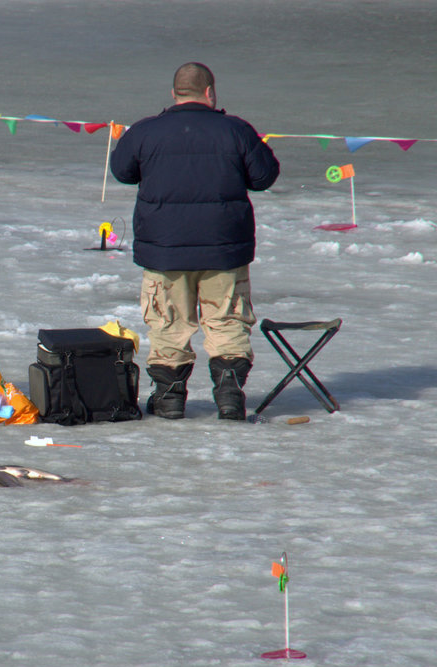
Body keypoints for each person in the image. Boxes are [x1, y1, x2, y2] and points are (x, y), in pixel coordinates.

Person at [110, 62, 280, 420]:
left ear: (174, 94)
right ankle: (230, 397)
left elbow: (122, 171)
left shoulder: (146, 131)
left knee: (168, 323)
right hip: (224, 248)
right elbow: (264, 176)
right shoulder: (236, 130)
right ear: (210, 92)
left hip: (165, 249)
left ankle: (170, 399)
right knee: (228, 322)